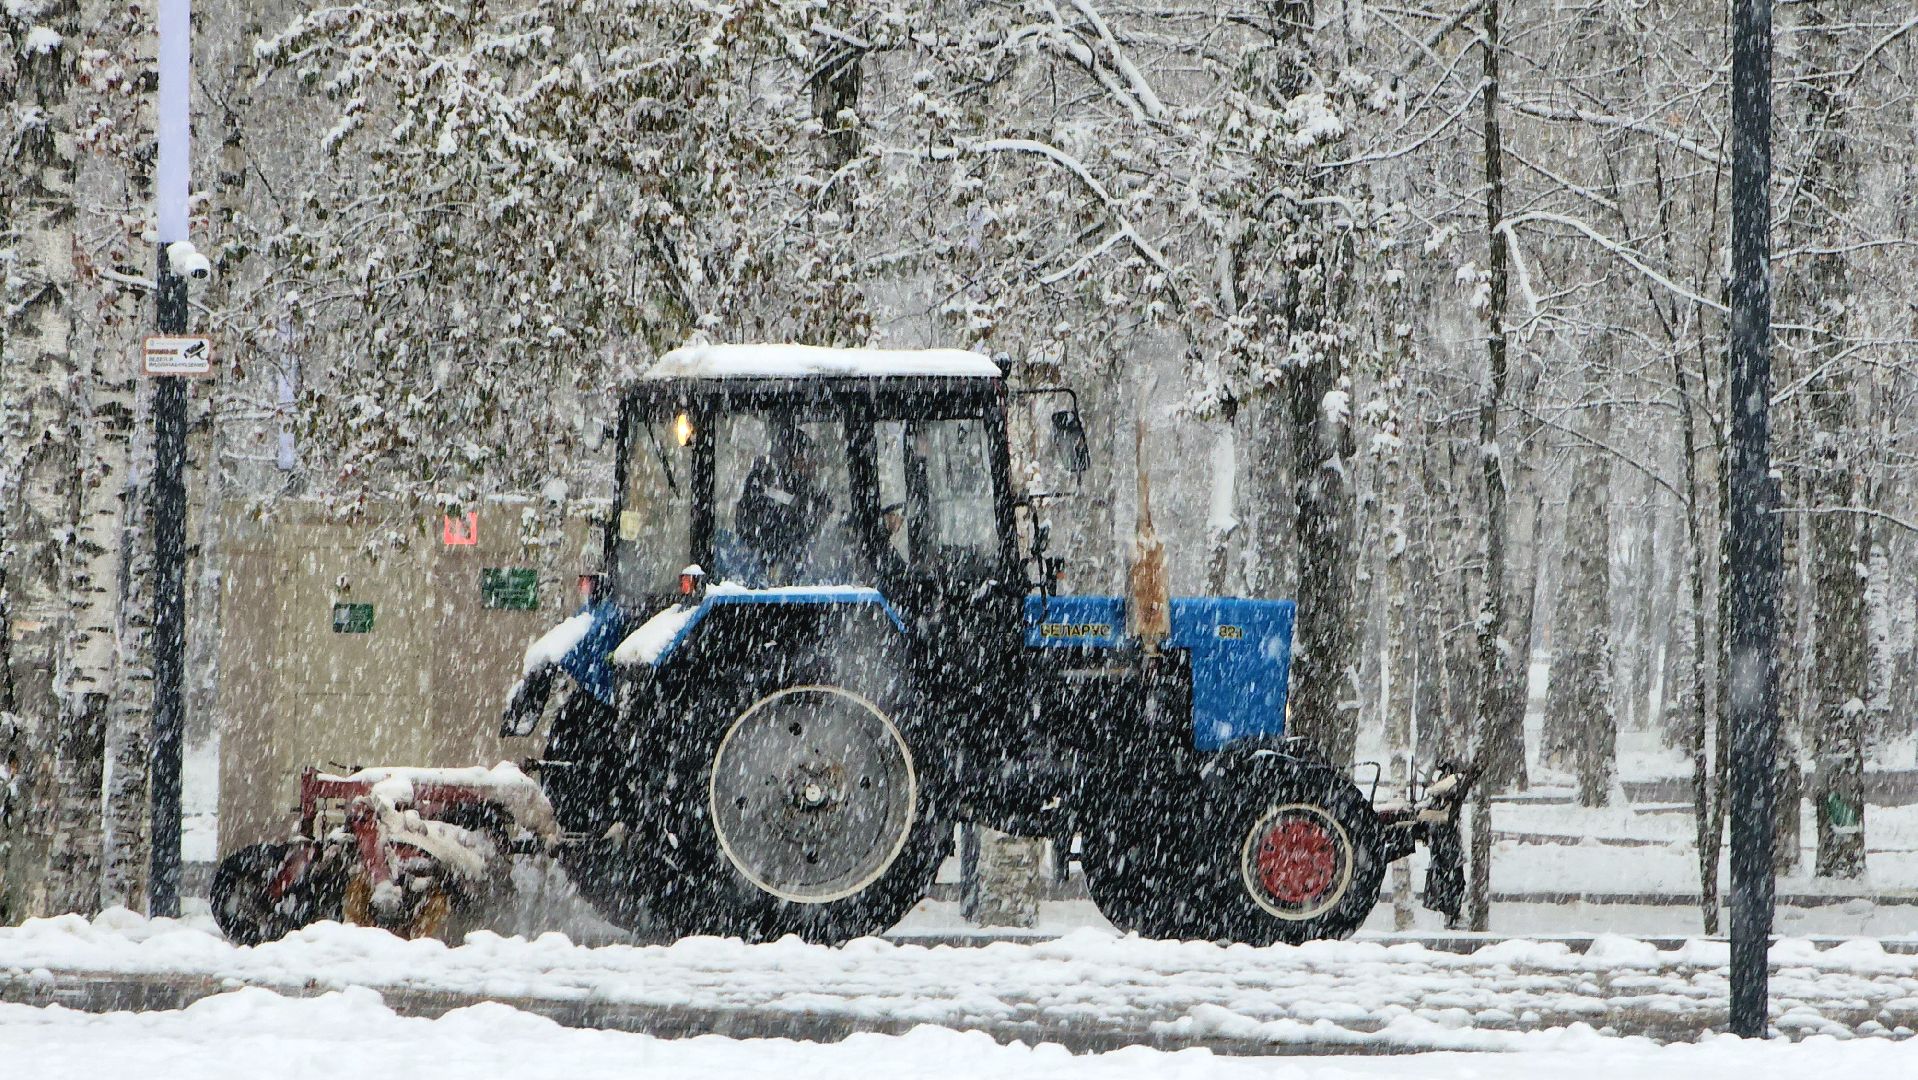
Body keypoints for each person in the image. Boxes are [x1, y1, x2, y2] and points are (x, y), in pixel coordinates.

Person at [734, 422, 831, 582]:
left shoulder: (811, 494)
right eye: (803, 459)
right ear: (788, 461)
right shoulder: (763, 489)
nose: (812, 466)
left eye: (811, 459)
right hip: (763, 574)